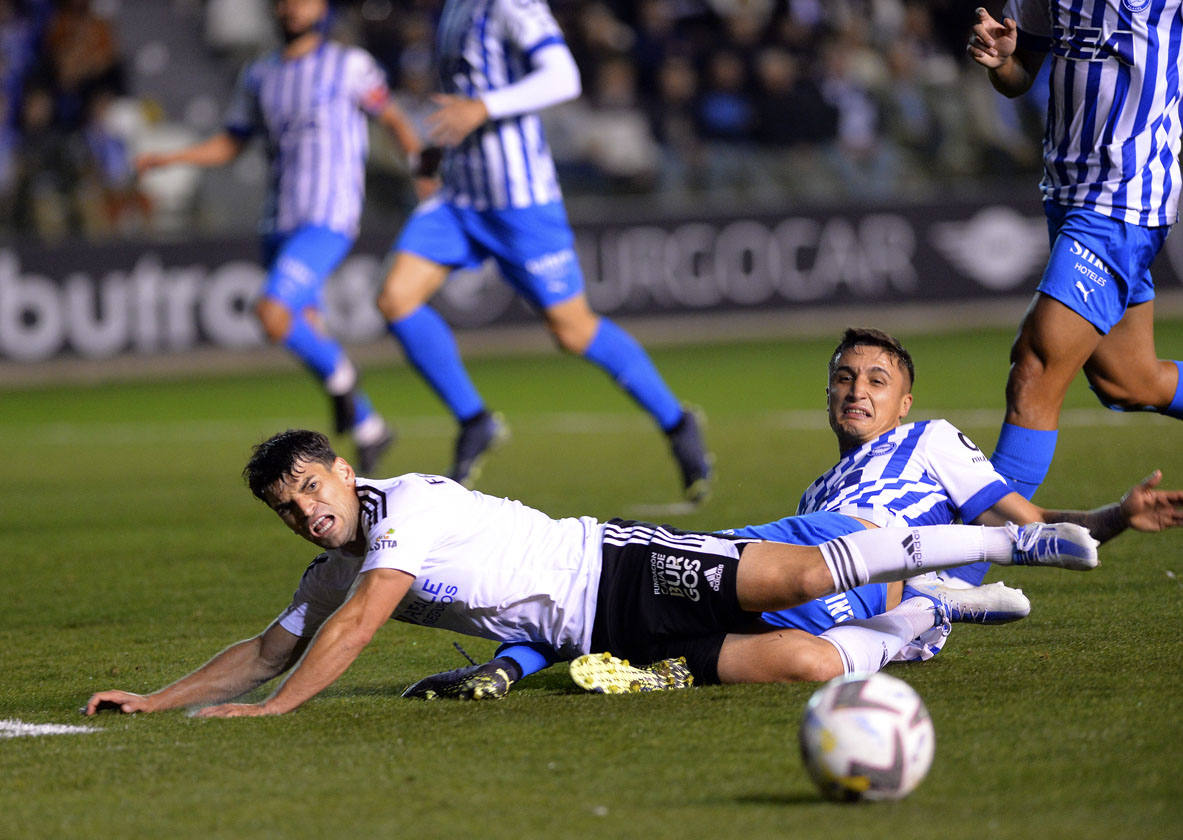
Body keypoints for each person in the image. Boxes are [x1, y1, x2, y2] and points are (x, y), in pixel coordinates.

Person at [83, 428, 1099, 718]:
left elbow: (348, 637)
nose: (308, 509)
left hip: (618, 569)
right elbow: (271, 647)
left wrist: (276, 715)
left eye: (313, 486)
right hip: (599, 638)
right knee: (802, 666)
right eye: (289, 506)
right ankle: (923, 614)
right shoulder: (333, 563)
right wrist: (157, 698)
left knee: (798, 576)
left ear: (344, 471)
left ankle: (1016, 542)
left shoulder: (407, 514)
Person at [413, 327, 1183, 698]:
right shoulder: (816, 491)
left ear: (904, 401)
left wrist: (1114, 515)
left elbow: (1027, 516)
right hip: (849, 597)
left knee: (653, 591)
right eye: (844, 378)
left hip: (854, 572)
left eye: (877, 380)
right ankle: (599, 666)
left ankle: (548, 664)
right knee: (724, 624)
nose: (857, 390)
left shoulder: (929, 440)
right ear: (826, 393)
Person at [373, 0, 712, 497]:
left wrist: (483, 108)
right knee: (395, 299)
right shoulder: (453, 9)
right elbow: (464, 97)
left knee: (573, 331)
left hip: (520, 202)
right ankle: (475, 420)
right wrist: (439, 149)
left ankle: (676, 421)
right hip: (461, 196)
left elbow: (562, 77)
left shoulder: (511, 4)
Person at [135, 0, 427, 474]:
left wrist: (426, 173)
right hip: (278, 223)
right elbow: (232, 141)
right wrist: (172, 158)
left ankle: (342, 375)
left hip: (328, 217)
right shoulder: (260, 74)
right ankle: (372, 427)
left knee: (272, 313)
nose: (293, 8)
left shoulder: (348, 65)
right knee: (303, 327)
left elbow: (393, 119)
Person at [968, 3, 1183, 534]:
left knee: (1036, 368)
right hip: (1065, 192)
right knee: (1128, 380)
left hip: (1125, 195)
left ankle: (958, 567)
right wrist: (1002, 63)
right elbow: (1025, 73)